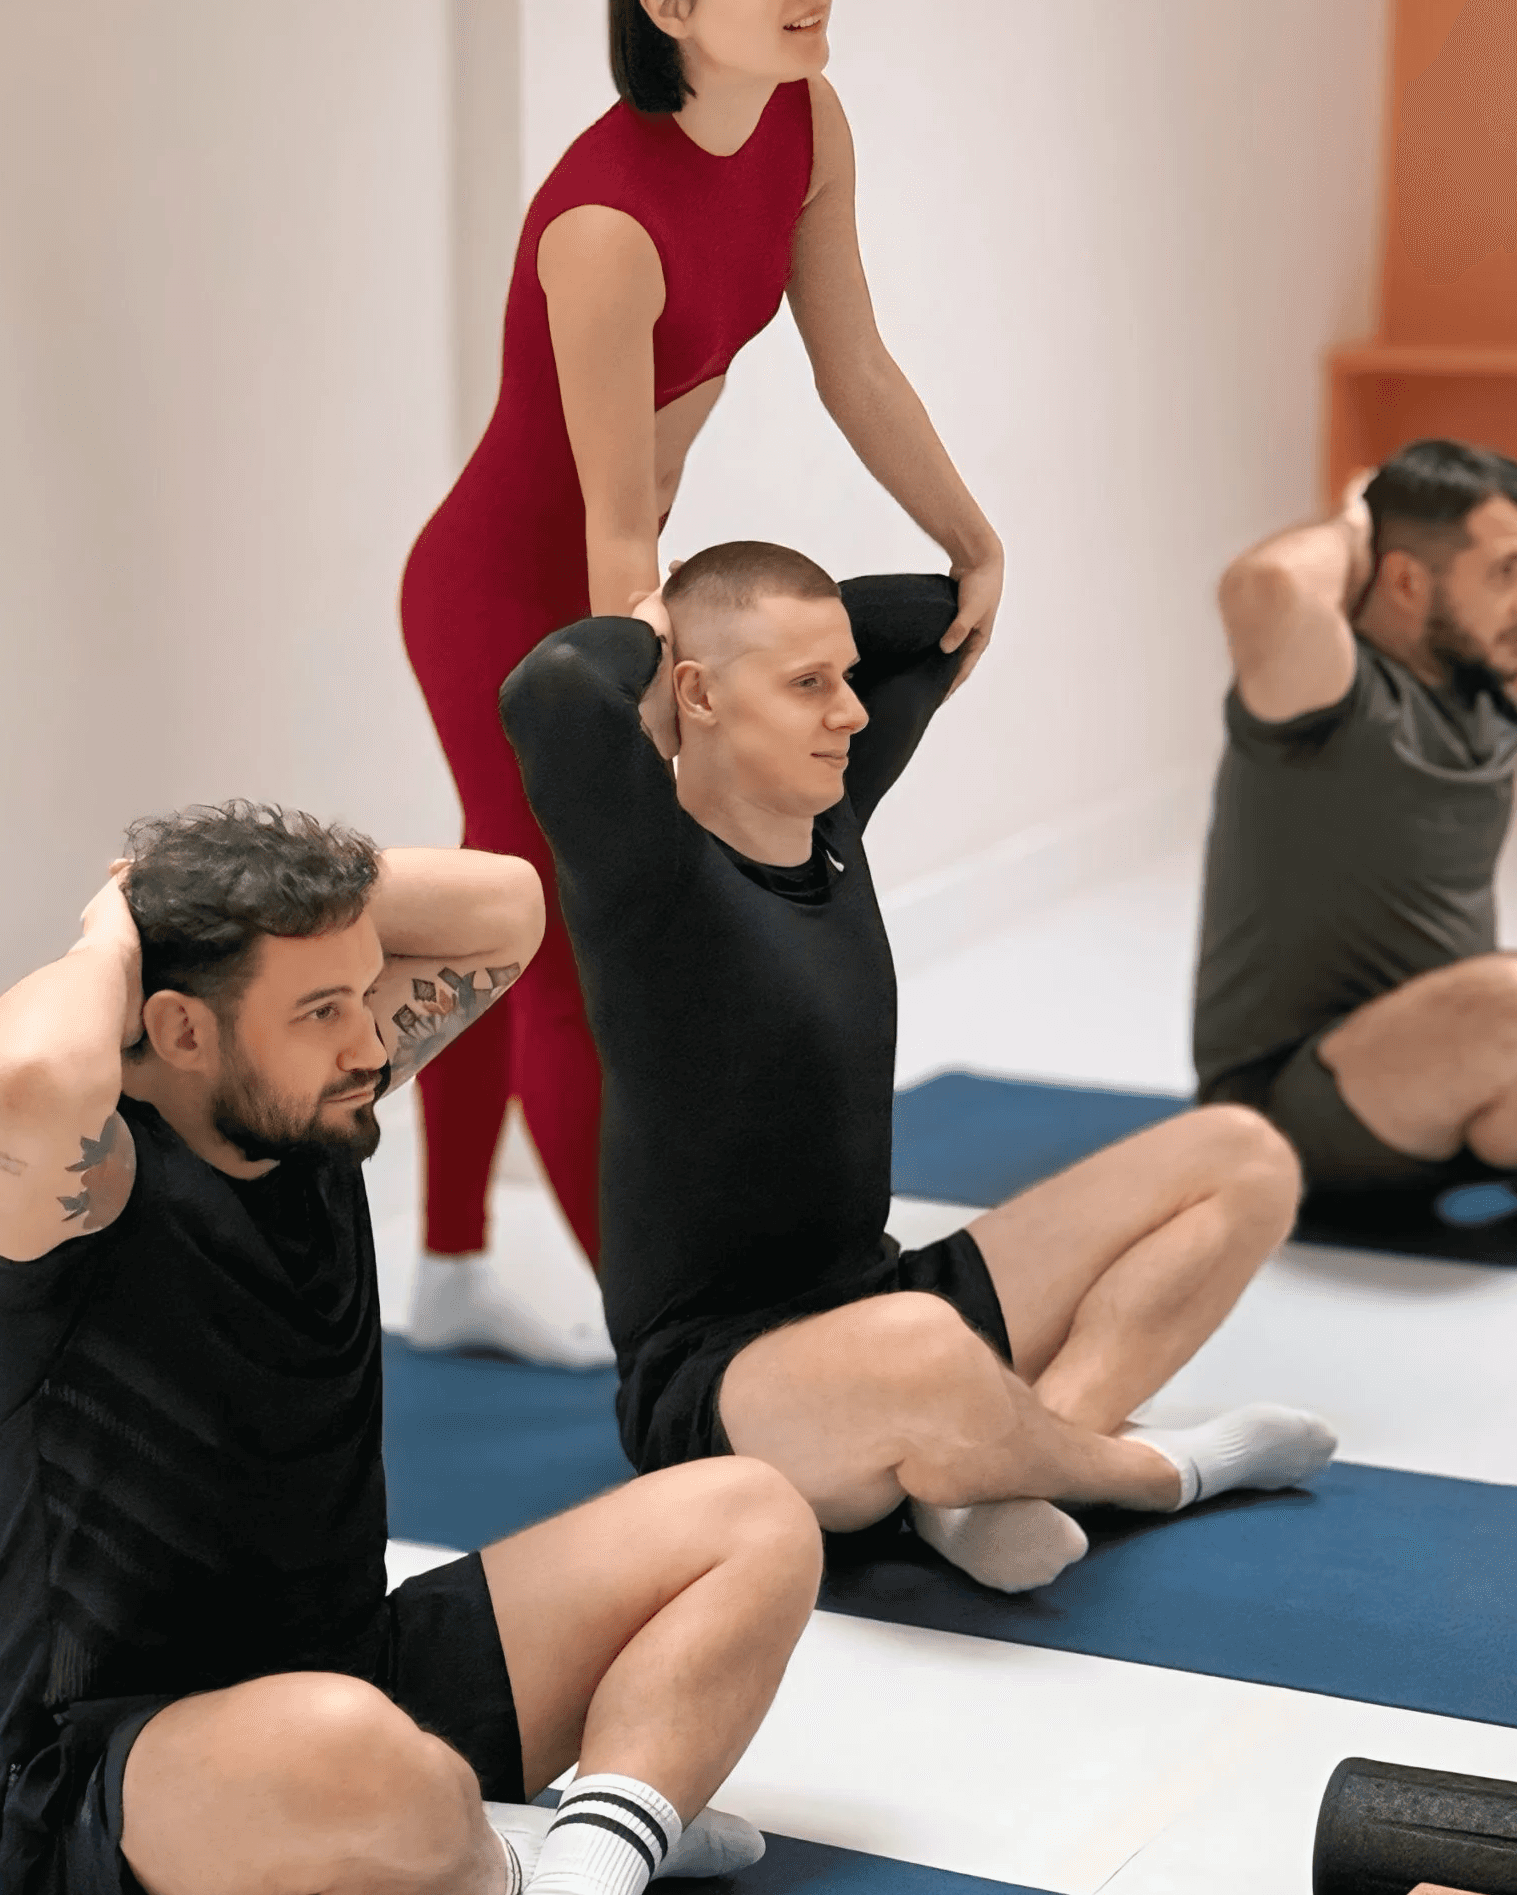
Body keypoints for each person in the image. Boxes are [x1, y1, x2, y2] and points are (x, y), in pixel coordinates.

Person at [0, 802, 823, 1895]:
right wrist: (111, 930)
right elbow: (25, 1071)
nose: (366, 1044)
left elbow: (508, 903)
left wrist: (245, 897)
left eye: (361, 995)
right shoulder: (74, 1190)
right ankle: (520, 1838)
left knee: (755, 1515)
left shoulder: (304, 1107)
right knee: (353, 1748)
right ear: (178, 1030)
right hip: (110, 1777)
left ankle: (586, 1857)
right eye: (319, 1010)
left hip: (364, 1677)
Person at [399, 0, 1004, 1365]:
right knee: (563, 937)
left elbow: (854, 362)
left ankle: (453, 1267)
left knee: (493, 901)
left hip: (620, 574)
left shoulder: (805, 121)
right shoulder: (605, 224)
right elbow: (614, 527)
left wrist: (971, 535)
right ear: (666, 4)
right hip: (510, 597)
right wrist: (648, 692)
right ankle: (672, 1341)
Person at [501, 546, 1335, 1595]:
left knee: (1245, 1157)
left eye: (845, 678)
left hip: (885, 1293)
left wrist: (959, 562)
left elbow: (941, 616)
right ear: (697, 695)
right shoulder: (646, 869)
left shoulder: (832, 823)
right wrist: (659, 621)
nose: (850, 712)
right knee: (923, 1348)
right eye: (808, 683)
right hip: (720, 1384)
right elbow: (551, 688)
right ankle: (1155, 1472)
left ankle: (984, 1481)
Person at [1199, 438, 1517, 1195]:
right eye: (1507, 573)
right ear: (1405, 579)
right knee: (1504, 998)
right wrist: (1352, 522)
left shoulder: (1488, 689)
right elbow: (1266, 585)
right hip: (1287, 1109)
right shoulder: (1335, 698)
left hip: (1449, 1083)